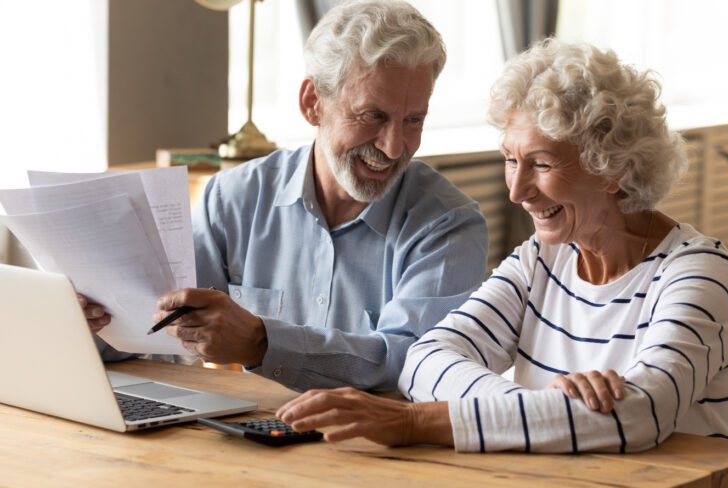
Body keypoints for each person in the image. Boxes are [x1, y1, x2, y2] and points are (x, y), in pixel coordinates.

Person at [275, 38, 728, 452]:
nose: (516, 191)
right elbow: (424, 362)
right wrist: (549, 411)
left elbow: (639, 416)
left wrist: (415, 421)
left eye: (541, 164)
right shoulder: (540, 261)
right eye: (509, 160)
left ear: (614, 169)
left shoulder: (698, 272)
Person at [84, 0, 488, 392]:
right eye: (373, 116)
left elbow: (411, 363)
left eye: (413, 120)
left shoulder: (449, 225)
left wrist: (262, 341)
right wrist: (95, 325)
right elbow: (163, 331)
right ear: (313, 104)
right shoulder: (233, 198)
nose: (395, 147)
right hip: (244, 438)